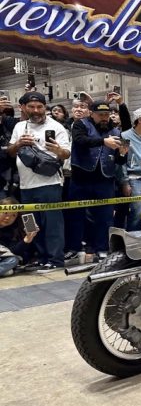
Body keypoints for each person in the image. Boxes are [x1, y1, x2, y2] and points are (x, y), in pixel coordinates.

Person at [7, 92, 70, 273]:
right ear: (23, 108)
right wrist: (18, 144)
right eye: (32, 107)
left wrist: (58, 150)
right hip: (25, 185)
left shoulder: (56, 126)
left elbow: (66, 153)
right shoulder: (19, 126)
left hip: (49, 183)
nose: (36, 110)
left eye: (40, 107)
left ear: (45, 107)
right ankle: (41, 258)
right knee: (30, 224)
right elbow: (10, 152)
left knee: (52, 224)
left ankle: (55, 259)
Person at [64, 100, 128, 262]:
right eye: (101, 115)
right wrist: (103, 141)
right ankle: (74, 248)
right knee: (76, 215)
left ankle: (102, 249)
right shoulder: (80, 124)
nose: (104, 117)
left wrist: (122, 153)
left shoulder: (116, 130)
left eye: (107, 114)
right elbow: (80, 141)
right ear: (91, 114)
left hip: (105, 179)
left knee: (105, 217)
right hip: (80, 178)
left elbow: (120, 161)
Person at [0, 197, 38, 276]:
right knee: (8, 271)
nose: (8, 218)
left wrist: (27, 240)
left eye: (13, 215)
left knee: (13, 260)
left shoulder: (12, 231)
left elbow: (13, 252)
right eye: (5, 213)